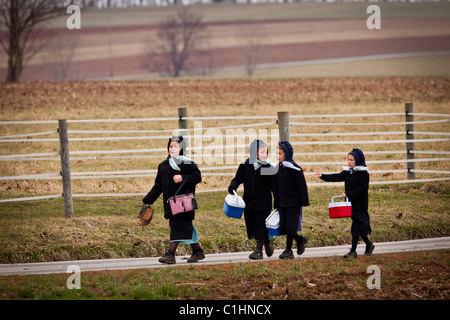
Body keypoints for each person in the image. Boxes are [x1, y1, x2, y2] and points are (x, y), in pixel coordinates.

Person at [142, 136, 204, 264]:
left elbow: (197, 177)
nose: (173, 148)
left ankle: (170, 254)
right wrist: (148, 200)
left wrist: (183, 178)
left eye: (176, 146)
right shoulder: (163, 166)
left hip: (184, 204)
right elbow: (158, 186)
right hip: (171, 205)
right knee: (185, 228)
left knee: (177, 226)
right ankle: (197, 251)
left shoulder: (187, 163)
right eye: (171, 146)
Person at [315, 148, 374, 258]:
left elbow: (362, 189)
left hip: (360, 204)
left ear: (358, 161)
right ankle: (369, 244)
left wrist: (348, 193)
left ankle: (353, 251)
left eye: (351, 160)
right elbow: (336, 176)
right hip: (350, 205)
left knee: (355, 227)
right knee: (358, 226)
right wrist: (323, 176)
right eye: (348, 160)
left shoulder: (364, 174)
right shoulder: (348, 172)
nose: (349, 162)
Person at [228, 139, 275, 260]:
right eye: (262, 152)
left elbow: (275, 186)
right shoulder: (245, 167)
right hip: (249, 203)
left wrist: (278, 201)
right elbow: (238, 179)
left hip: (263, 203)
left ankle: (259, 250)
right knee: (252, 225)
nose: (265, 155)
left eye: (266, 152)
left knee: (261, 225)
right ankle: (268, 240)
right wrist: (233, 186)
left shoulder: (269, 168)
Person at [273, 141, 309, 259]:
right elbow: (276, 188)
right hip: (283, 202)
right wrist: (276, 203)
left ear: (287, 154)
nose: (278, 156)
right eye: (277, 153)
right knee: (284, 226)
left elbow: (301, 185)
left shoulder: (294, 168)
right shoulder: (277, 169)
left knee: (290, 226)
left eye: (280, 154)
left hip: (294, 202)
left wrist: (304, 201)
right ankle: (300, 239)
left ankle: (288, 250)